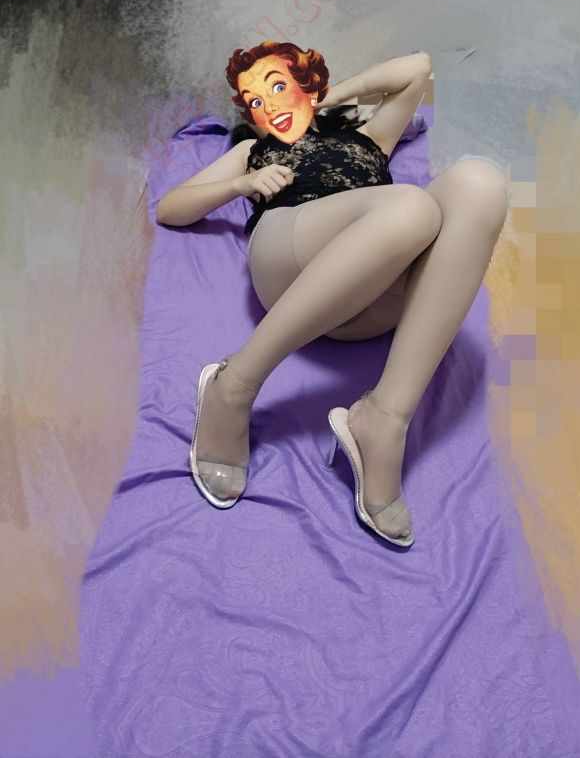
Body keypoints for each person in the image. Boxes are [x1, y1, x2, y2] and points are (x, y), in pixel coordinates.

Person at [156, 40, 510, 547]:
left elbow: (418, 69)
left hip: (377, 295)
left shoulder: (369, 137)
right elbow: (171, 208)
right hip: (290, 263)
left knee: (482, 181)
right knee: (412, 208)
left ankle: (383, 419)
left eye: (279, 86)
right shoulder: (251, 152)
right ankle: (232, 386)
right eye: (255, 100)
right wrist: (242, 184)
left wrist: (333, 97)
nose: (269, 104)